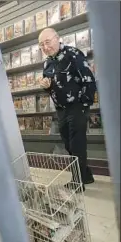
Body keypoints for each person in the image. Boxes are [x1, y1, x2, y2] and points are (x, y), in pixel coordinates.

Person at [38, 28, 96, 191]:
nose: (45, 47)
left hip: (77, 105)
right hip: (61, 109)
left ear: (57, 38)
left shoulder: (74, 54)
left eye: (47, 42)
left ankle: (78, 182)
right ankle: (86, 175)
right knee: (69, 143)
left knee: (77, 143)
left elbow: (89, 79)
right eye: (41, 45)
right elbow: (50, 85)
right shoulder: (47, 63)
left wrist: (85, 103)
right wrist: (45, 87)